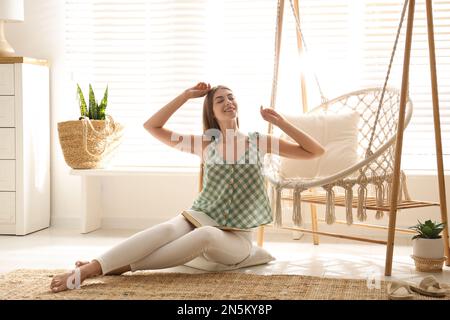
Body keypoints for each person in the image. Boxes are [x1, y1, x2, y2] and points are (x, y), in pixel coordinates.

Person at [50, 82, 325, 293]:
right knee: (169, 228)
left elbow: (315, 151)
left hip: (236, 238)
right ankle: (92, 268)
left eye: (231, 97)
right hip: (199, 215)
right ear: (212, 112)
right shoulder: (206, 144)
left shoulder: (259, 141)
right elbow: (152, 126)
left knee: (205, 235)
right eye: (220, 100)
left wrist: (280, 122)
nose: (228, 101)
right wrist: (185, 95)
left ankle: (114, 266)